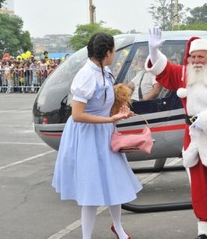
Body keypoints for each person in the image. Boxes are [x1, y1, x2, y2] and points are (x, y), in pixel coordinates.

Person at [145, 27, 207, 239]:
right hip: (194, 140)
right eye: (193, 56)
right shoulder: (186, 74)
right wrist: (153, 52)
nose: (196, 61)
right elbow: (165, 71)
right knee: (199, 189)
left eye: (200, 57)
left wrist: (202, 120)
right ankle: (205, 228)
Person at [52, 33, 142, 239]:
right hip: (86, 136)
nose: (115, 55)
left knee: (114, 180)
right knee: (90, 187)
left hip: (103, 131)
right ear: (107, 52)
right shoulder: (86, 76)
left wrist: (120, 113)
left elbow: (104, 105)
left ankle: (118, 227)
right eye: (114, 51)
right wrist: (110, 121)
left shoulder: (105, 71)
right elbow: (77, 115)